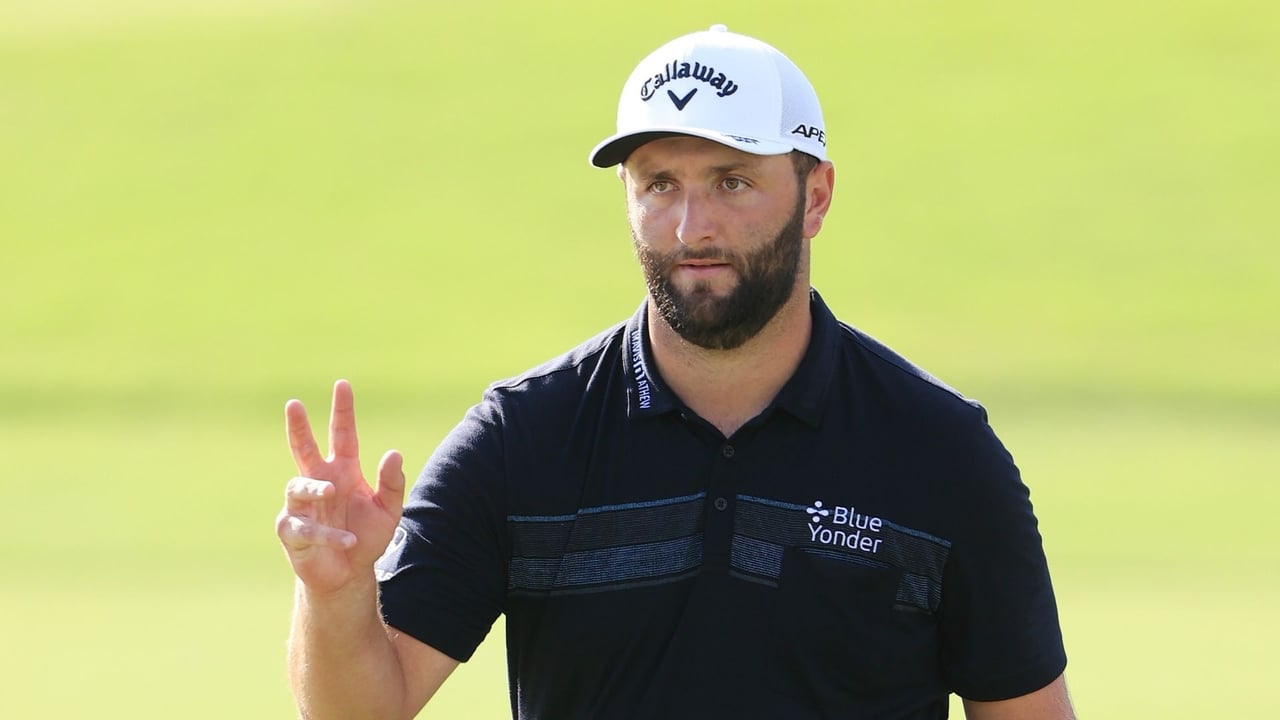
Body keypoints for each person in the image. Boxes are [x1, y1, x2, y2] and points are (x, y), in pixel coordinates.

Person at [275, 24, 1074, 720]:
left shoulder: (940, 450)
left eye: (732, 180)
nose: (692, 227)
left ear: (817, 196)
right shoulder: (524, 438)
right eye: (660, 185)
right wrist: (337, 598)